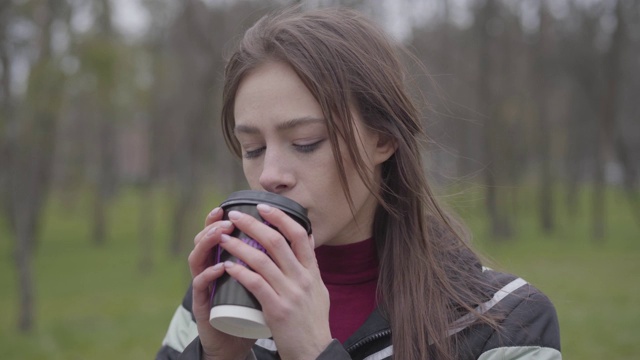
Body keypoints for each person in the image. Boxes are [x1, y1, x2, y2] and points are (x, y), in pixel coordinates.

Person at [156, 6, 561, 360]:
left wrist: (315, 353)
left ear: (383, 139)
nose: (269, 175)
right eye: (253, 148)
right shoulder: (216, 305)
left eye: (305, 143)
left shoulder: (507, 320)